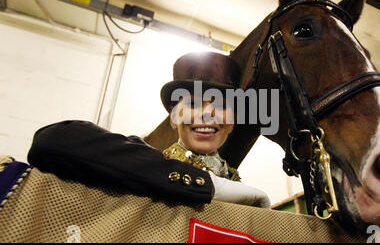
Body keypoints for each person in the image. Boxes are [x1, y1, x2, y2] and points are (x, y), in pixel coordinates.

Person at [27, 52, 270, 208]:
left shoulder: (241, 187)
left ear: (233, 121)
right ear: (174, 118)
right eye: (194, 103)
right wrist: (210, 185)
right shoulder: (138, 157)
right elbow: (51, 141)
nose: (207, 114)